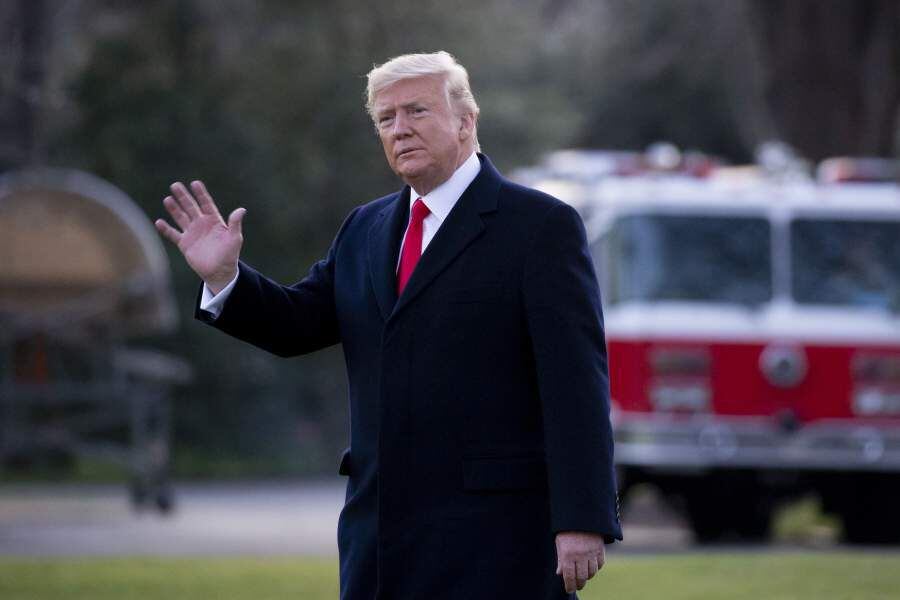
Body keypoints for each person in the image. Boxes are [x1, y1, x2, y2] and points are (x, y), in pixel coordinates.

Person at [155, 51, 621, 599]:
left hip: (497, 537)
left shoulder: (541, 227)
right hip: (379, 537)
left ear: (466, 120)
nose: (399, 130)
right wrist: (227, 278)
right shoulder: (367, 226)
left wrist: (581, 518)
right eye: (385, 118)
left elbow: (575, 383)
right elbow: (296, 324)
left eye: (416, 112)